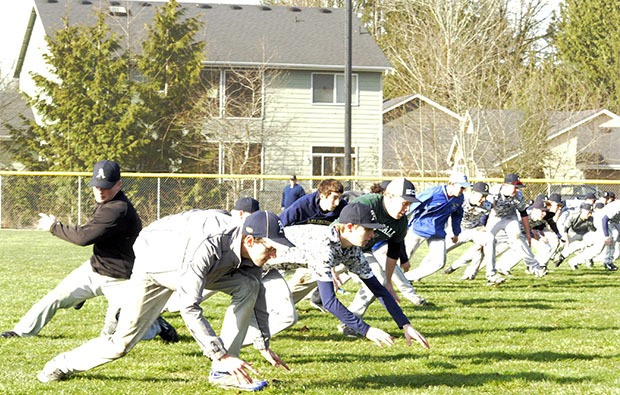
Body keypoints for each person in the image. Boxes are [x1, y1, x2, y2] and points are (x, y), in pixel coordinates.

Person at [37, 210, 293, 391]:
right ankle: (60, 364)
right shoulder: (208, 247)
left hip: (189, 263)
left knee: (249, 284)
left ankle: (223, 373)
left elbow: (256, 291)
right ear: (249, 240)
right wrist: (220, 353)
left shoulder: (252, 253)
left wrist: (263, 344)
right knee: (119, 346)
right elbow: (189, 307)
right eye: (270, 248)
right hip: (155, 265)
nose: (273, 255)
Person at [1, 160, 175, 342]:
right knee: (54, 298)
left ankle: (157, 326)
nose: (100, 190)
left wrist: (53, 227)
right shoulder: (106, 202)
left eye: (106, 186)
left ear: (119, 185)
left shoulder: (118, 209)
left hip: (121, 278)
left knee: (115, 335)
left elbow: (83, 237)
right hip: (94, 269)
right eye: (97, 185)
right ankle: (22, 331)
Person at [265, 203, 431, 349]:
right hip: (251, 263)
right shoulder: (324, 246)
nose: (373, 235)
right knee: (280, 315)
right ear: (350, 227)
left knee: (284, 316)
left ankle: (252, 343)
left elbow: (378, 289)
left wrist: (405, 324)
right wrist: (367, 330)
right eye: (368, 229)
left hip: (268, 268)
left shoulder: (351, 250)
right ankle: (246, 348)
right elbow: (329, 301)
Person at [339, 177, 422, 336]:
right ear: (389, 196)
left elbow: (393, 253)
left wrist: (389, 282)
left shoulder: (401, 222)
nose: (407, 208)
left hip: (361, 252)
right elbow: (338, 227)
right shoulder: (368, 204)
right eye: (405, 203)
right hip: (338, 247)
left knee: (378, 280)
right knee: (305, 279)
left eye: (410, 204)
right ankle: (281, 308)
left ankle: (349, 323)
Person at [280, 179, 347, 309]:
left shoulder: (342, 208)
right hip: (296, 246)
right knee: (295, 279)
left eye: (339, 198)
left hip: (323, 251)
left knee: (345, 262)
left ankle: (317, 297)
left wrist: (330, 265)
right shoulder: (302, 206)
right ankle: (279, 305)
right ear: (322, 196)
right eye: (334, 198)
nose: (337, 203)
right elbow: (280, 226)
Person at [403, 172, 469, 282]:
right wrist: (399, 220)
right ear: (451, 184)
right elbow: (413, 205)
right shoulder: (433, 193)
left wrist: (456, 232)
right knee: (403, 258)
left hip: (437, 233)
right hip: (418, 229)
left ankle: (407, 278)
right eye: (461, 187)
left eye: (464, 188)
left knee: (439, 262)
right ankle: (382, 279)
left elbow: (457, 215)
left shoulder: (459, 198)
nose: (463, 190)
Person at [442, 181, 504, 285]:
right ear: (473, 193)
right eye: (482, 196)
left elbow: (483, 220)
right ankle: (416, 275)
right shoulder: (460, 200)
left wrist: (482, 229)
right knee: (437, 254)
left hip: (473, 230)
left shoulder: (487, 205)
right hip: (455, 231)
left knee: (489, 239)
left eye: (485, 196)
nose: (484, 199)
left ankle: (491, 275)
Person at [488, 174, 547, 277]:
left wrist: (528, 234)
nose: (516, 190)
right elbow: (485, 210)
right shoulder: (494, 192)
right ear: (505, 185)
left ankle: (534, 267)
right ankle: (473, 271)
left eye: (517, 187)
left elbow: (523, 213)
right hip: (495, 216)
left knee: (518, 237)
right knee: (486, 241)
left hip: (510, 217)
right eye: (514, 187)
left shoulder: (519, 195)